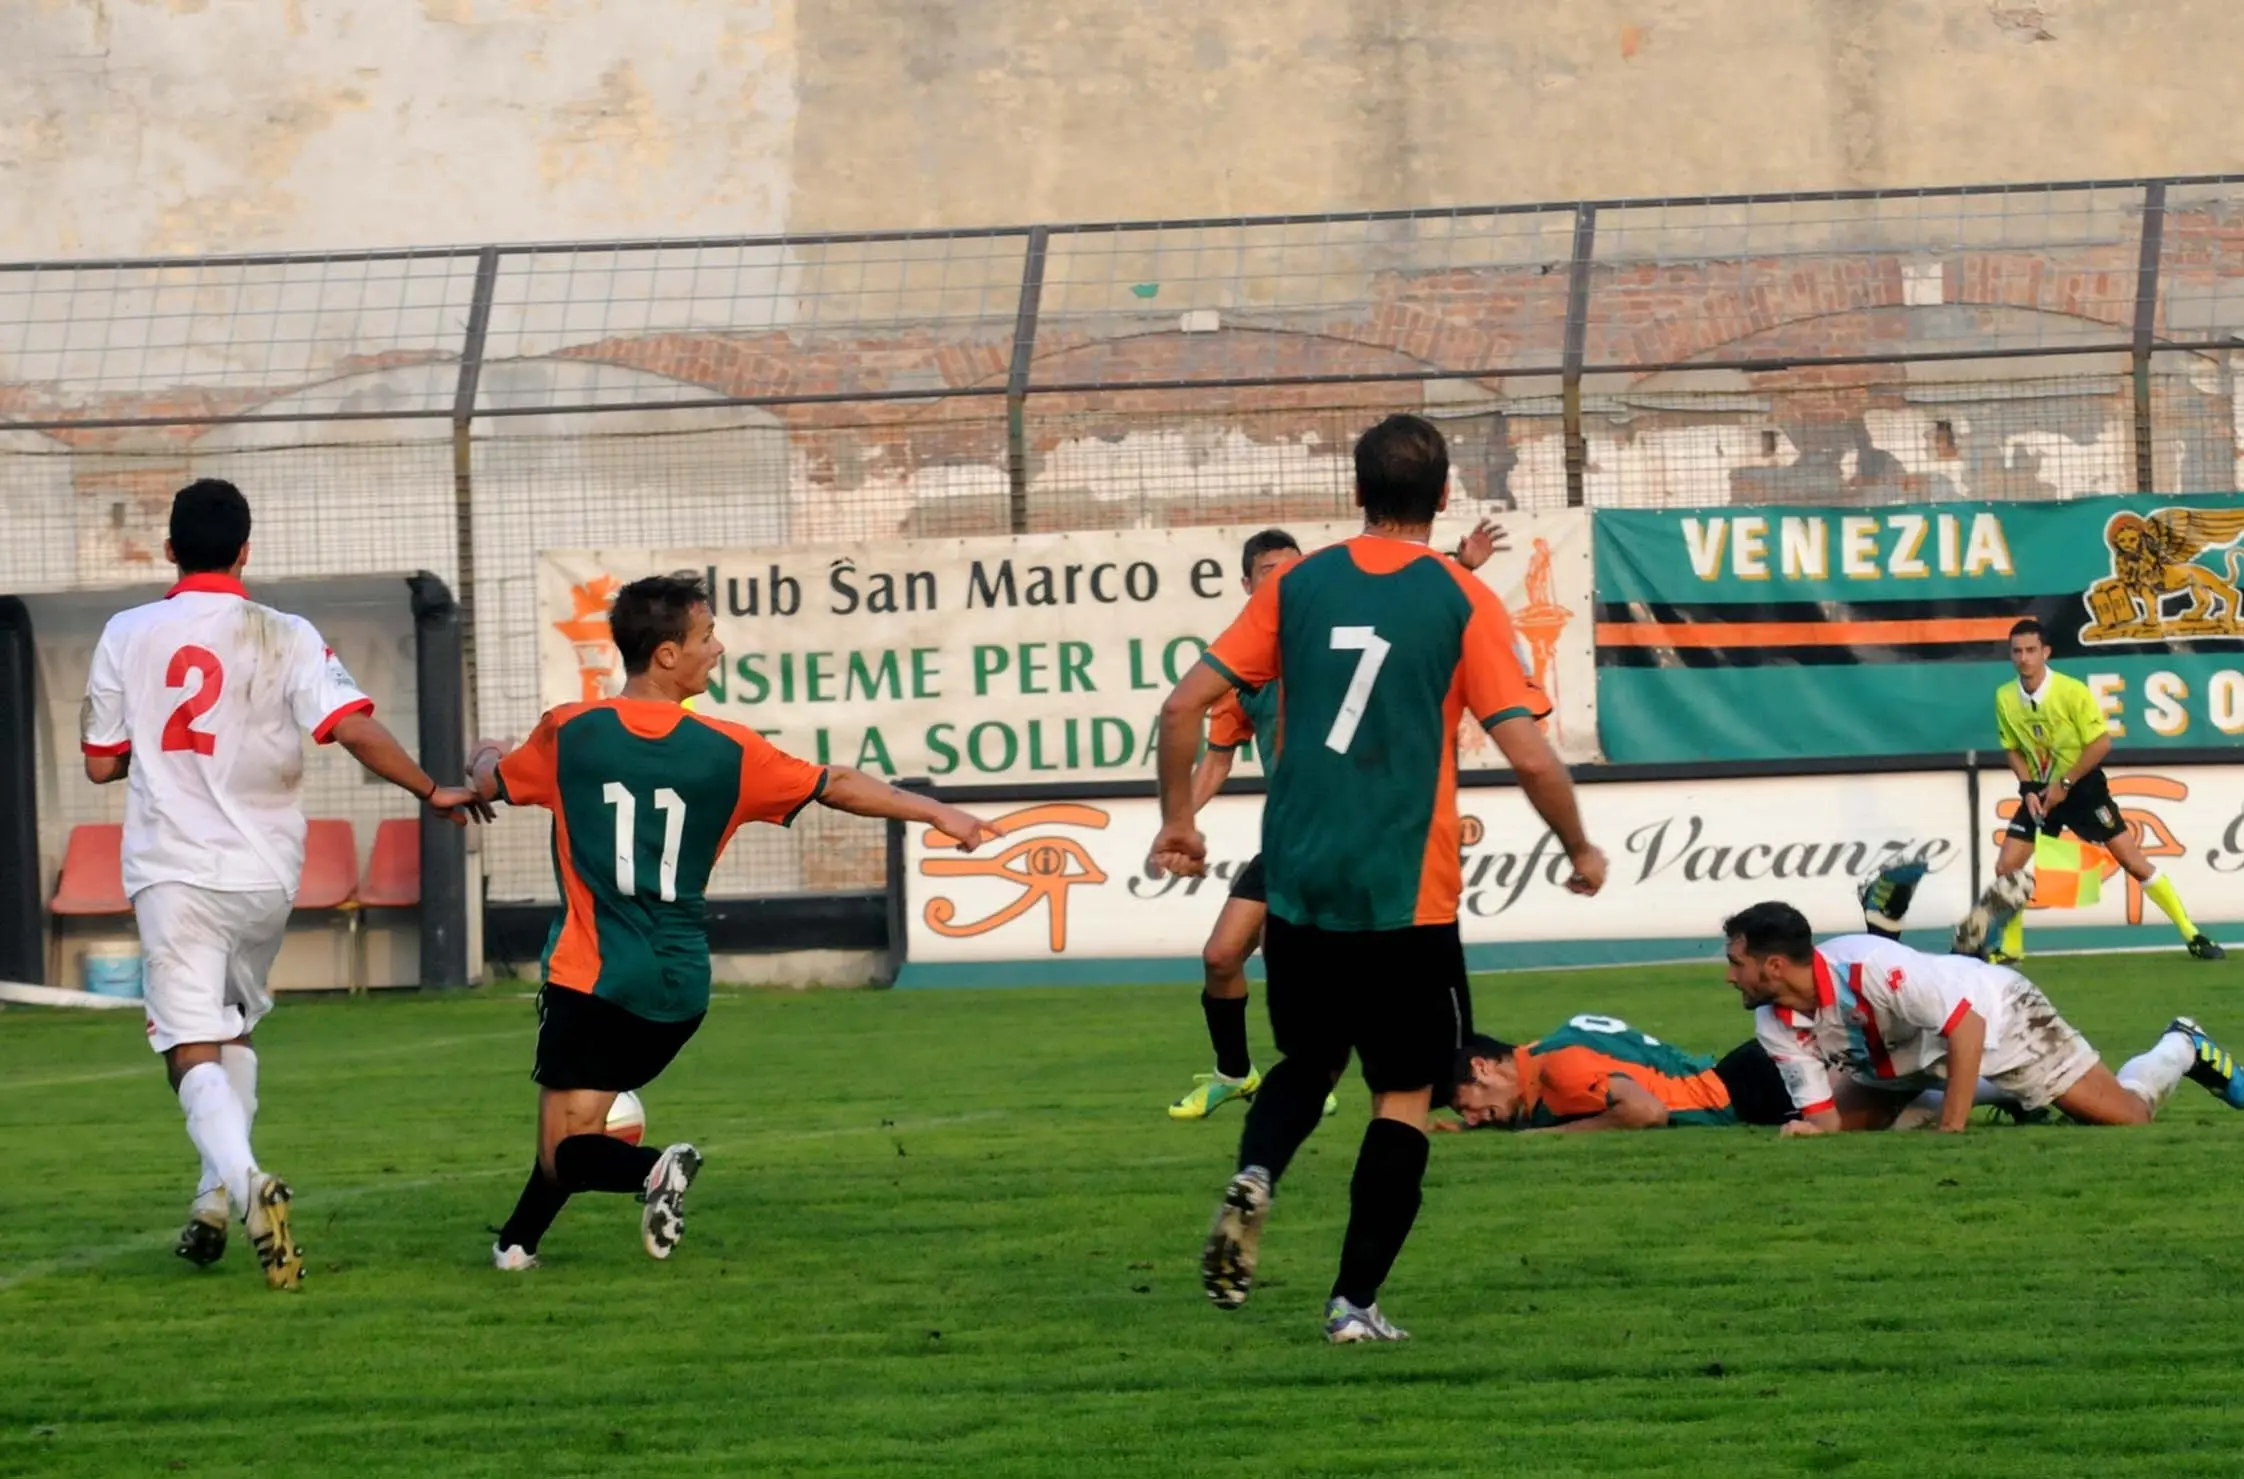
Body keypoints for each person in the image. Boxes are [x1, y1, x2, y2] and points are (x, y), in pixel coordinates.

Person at [1148, 413, 1606, 1343]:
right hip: (1409, 894)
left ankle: (1259, 1172)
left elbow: (1182, 705)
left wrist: (1179, 819)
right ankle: (1352, 1305)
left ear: (1356, 493)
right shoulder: (1462, 597)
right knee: (1401, 1097)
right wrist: (1578, 847)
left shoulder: (1298, 584)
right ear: (1442, 498)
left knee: (1308, 1064)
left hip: (1303, 884)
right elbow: (1530, 754)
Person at [467, 572, 996, 1271]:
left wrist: (482, 754)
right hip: (679, 987)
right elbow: (834, 783)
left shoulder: (571, 732)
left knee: (567, 1151)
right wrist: (937, 810)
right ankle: (516, 1246)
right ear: (665, 655)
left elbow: (490, 783)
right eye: (705, 635)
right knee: (577, 1129)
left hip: (594, 975)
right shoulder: (731, 750)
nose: (717, 647)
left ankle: (655, 1168)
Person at [79, 478, 492, 1291]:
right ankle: (207, 1200)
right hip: (266, 871)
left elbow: (100, 761)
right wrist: (430, 788)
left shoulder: (127, 630)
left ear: (169, 550)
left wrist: (161, 756)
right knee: (232, 1026)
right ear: (245, 551)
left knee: (186, 1043)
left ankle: (245, 1184)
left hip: (173, 867)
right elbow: (351, 727)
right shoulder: (286, 633)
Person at [1170, 520, 1505, 1122]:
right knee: (1222, 957)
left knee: (1316, 967)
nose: (1290, 581)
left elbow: (1402, 610)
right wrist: (1178, 822)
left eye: (1296, 569)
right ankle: (1235, 1073)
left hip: (1366, 835)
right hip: (1294, 839)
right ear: (1249, 585)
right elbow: (1215, 760)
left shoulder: (1320, 646)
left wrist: (1464, 563)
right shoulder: (1243, 672)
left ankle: (1313, 1078)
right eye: (1273, 574)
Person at [1722, 900, 2244, 1135]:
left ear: (1773, 965)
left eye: (1735, 963)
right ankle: (2004, 1099)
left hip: (1999, 1019)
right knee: (1854, 1132)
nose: (1729, 976)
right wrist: (1811, 1132)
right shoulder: (1773, 1022)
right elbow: (1825, 1120)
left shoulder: (1870, 967)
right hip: (1901, 1066)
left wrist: (1953, 1126)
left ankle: (2183, 1045)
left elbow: (1966, 1027)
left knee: (2128, 1119)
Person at [1974, 617, 2221, 962]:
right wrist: (2028, 787)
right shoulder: (2005, 697)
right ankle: (2013, 947)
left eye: (2031, 650)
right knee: (2006, 868)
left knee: (2132, 862)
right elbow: (2012, 747)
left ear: (2046, 652)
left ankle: (2192, 934)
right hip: (2042, 793)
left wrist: (2064, 784)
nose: (2024, 658)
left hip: (2082, 786)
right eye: (2017, 651)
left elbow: (2101, 743)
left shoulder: (2072, 691)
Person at [1444, 1019, 1795, 1132]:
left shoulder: (1558, 1068)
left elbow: (1648, 1112)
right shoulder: (1540, 1053)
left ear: (1482, 1067)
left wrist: (1552, 1135)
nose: (1473, 1120)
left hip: (1750, 1091)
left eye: (1465, 1107)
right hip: (1742, 1071)